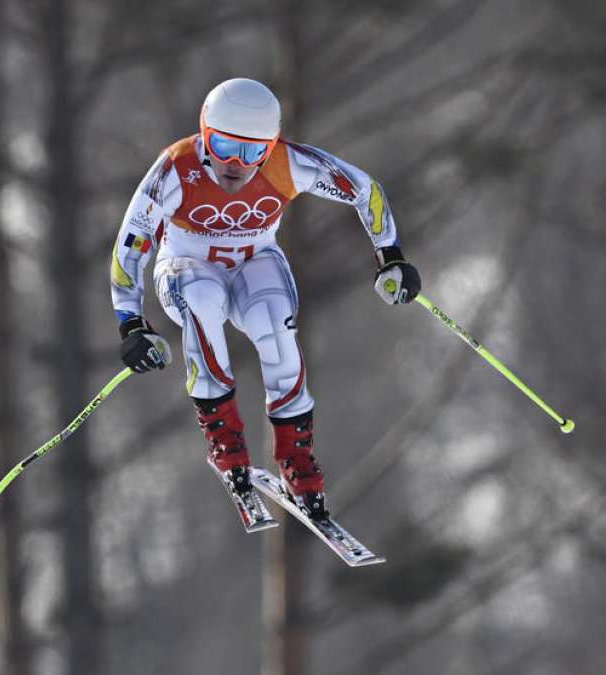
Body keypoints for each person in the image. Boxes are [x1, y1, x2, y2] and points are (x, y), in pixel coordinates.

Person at [109, 77, 420, 519]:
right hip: (186, 267)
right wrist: (130, 321)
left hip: (254, 260)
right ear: (204, 134)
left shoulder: (287, 164)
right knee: (202, 298)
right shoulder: (175, 169)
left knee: (275, 322)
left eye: (254, 151)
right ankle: (225, 437)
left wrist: (390, 256)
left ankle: (296, 458)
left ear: (270, 144)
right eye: (223, 147)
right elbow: (131, 244)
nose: (236, 164)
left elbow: (363, 190)